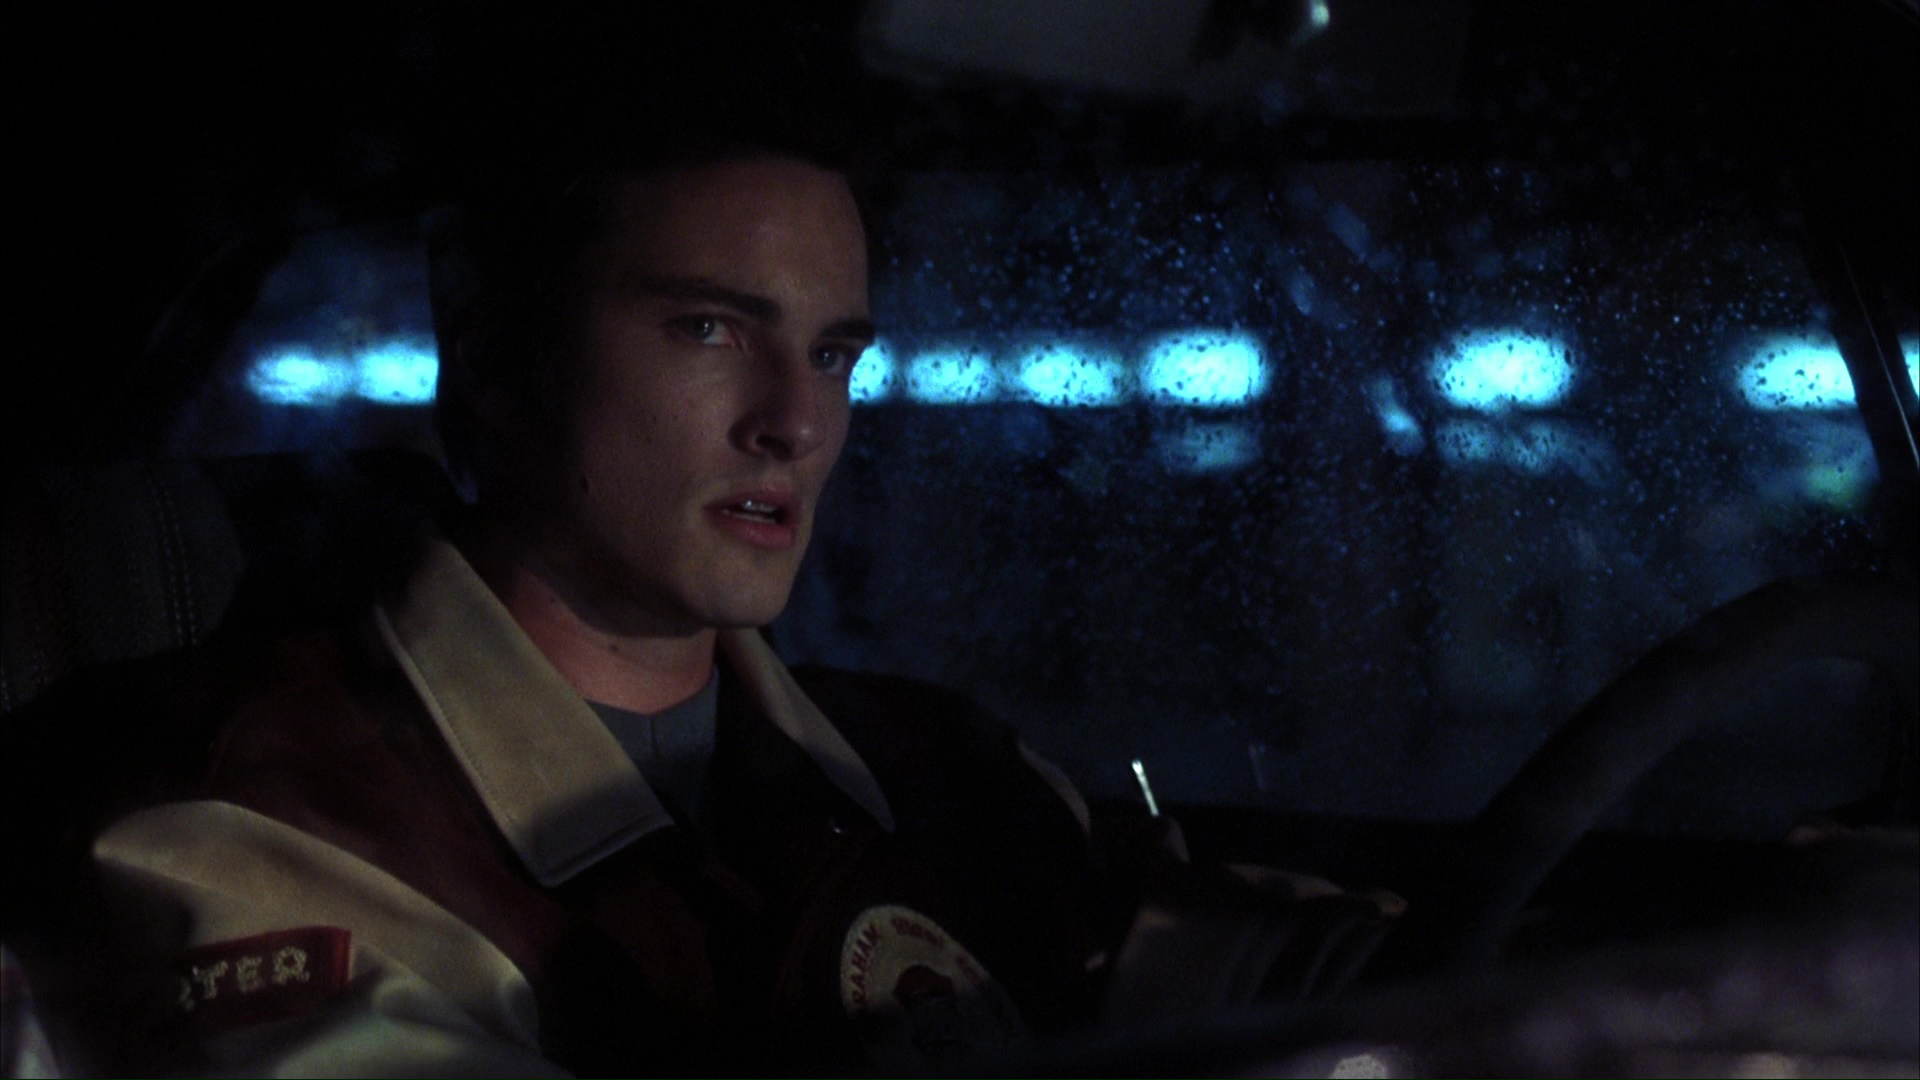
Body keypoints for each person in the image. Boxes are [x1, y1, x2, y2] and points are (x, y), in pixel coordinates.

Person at [21, 137, 1391, 1076]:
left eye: (834, 354)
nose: (795, 422)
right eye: (709, 330)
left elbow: (1256, 968)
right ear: (497, 365)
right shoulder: (256, 819)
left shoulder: (946, 770)